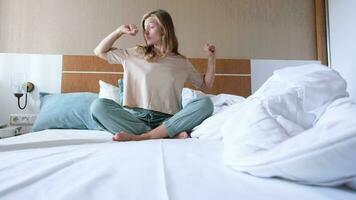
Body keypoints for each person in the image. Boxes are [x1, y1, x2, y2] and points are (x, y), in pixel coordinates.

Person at [91, 9, 216, 142]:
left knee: (206, 103)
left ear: (164, 29)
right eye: (144, 28)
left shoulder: (181, 62)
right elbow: (99, 51)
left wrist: (211, 58)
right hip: (135, 119)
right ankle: (162, 134)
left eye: (151, 26)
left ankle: (145, 136)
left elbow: (206, 84)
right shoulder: (135, 53)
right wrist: (120, 31)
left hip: (168, 120)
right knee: (98, 106)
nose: (146, 32)